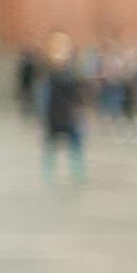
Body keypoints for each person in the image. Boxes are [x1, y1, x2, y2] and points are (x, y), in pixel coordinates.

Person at [38, 29, 87, 185]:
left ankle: (78, 172)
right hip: (54, 112)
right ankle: (48, 174)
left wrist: (81, 109)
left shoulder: (73, 66)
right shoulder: (47, 67)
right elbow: (43, 93)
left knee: (76, 144)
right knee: (50, 145)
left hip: (70, 112)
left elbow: (79, 90)